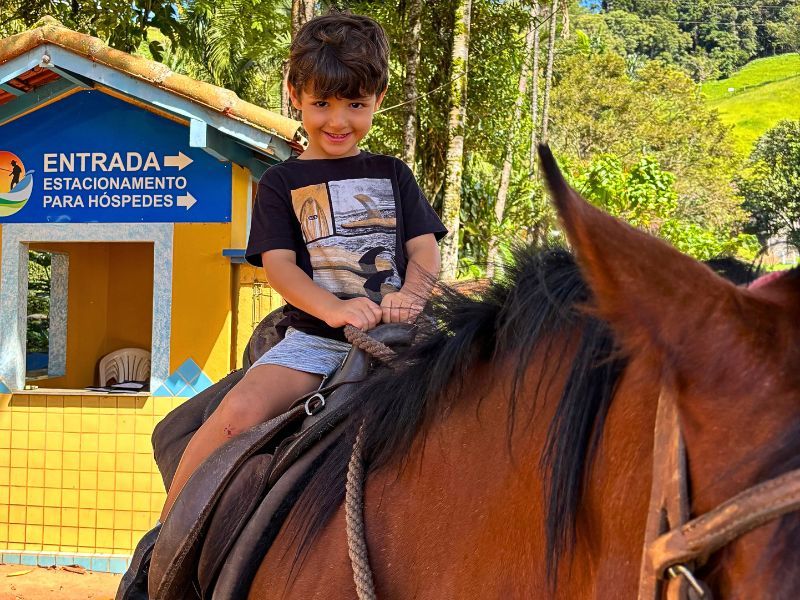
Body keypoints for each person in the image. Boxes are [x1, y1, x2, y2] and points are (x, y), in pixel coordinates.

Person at [116, 11, 445, 599]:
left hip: (401, 336)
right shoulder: (282, 184)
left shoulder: (393, 174)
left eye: (356, 105)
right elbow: (279, 267)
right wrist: (336, 310)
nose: (338, 121)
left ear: (378, 99)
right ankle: (161, 549)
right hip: (316, 340)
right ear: (295, 96)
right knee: (235, 416)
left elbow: (423, 248)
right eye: (322, 105)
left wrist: (411, 296)